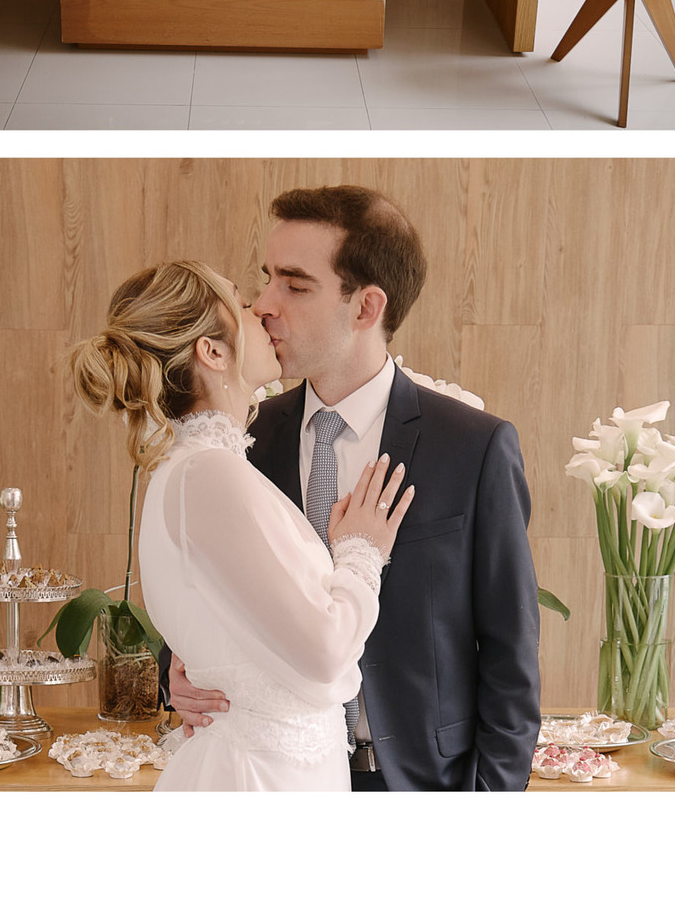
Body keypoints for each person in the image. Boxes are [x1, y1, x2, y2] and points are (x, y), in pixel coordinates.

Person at [169, 185, 541, 791]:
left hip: (420, 788)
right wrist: (179, 670)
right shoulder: (242, 446)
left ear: (366, 307)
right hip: (273, 782)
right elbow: (201, 600)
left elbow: (512, 657)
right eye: (266, 278)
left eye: (294, 283)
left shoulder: (472, 447)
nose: (263, 304)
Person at [69, 258, 415, 791]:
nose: (265, 311)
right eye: (246, 305)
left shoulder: (205, 468)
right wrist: (361, 552)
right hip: (257, 781)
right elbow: (324, 653)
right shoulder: (206, 473)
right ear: (212, 351)